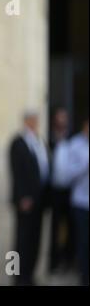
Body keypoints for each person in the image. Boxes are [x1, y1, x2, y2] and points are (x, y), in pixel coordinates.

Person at [9, 110, 50, 285]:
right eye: (33, 120)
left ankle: (30, 275)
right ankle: (19, 277)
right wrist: (22, 197)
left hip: (40, 200)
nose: (35, 123)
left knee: (35, 240)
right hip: (25, 202)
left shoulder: (39, 141)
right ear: (26, 122)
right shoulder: (17, 143)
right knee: (22, 241)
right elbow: (16, 173)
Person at [48, 107, 74, 274]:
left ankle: (69, 260)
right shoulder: (49, 139)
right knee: (54, 226)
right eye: (59, 117)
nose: (62, 121)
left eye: (64, 118)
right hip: (54, 191)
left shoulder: (72, 139)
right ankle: (54, 261)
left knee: (71, 226)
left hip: (71, 191)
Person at [66, 117, 89, 285]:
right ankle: (84, 275)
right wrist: (85, 166)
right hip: (81, 202)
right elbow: (67, 173)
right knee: (83, 240)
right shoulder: (75, 144)